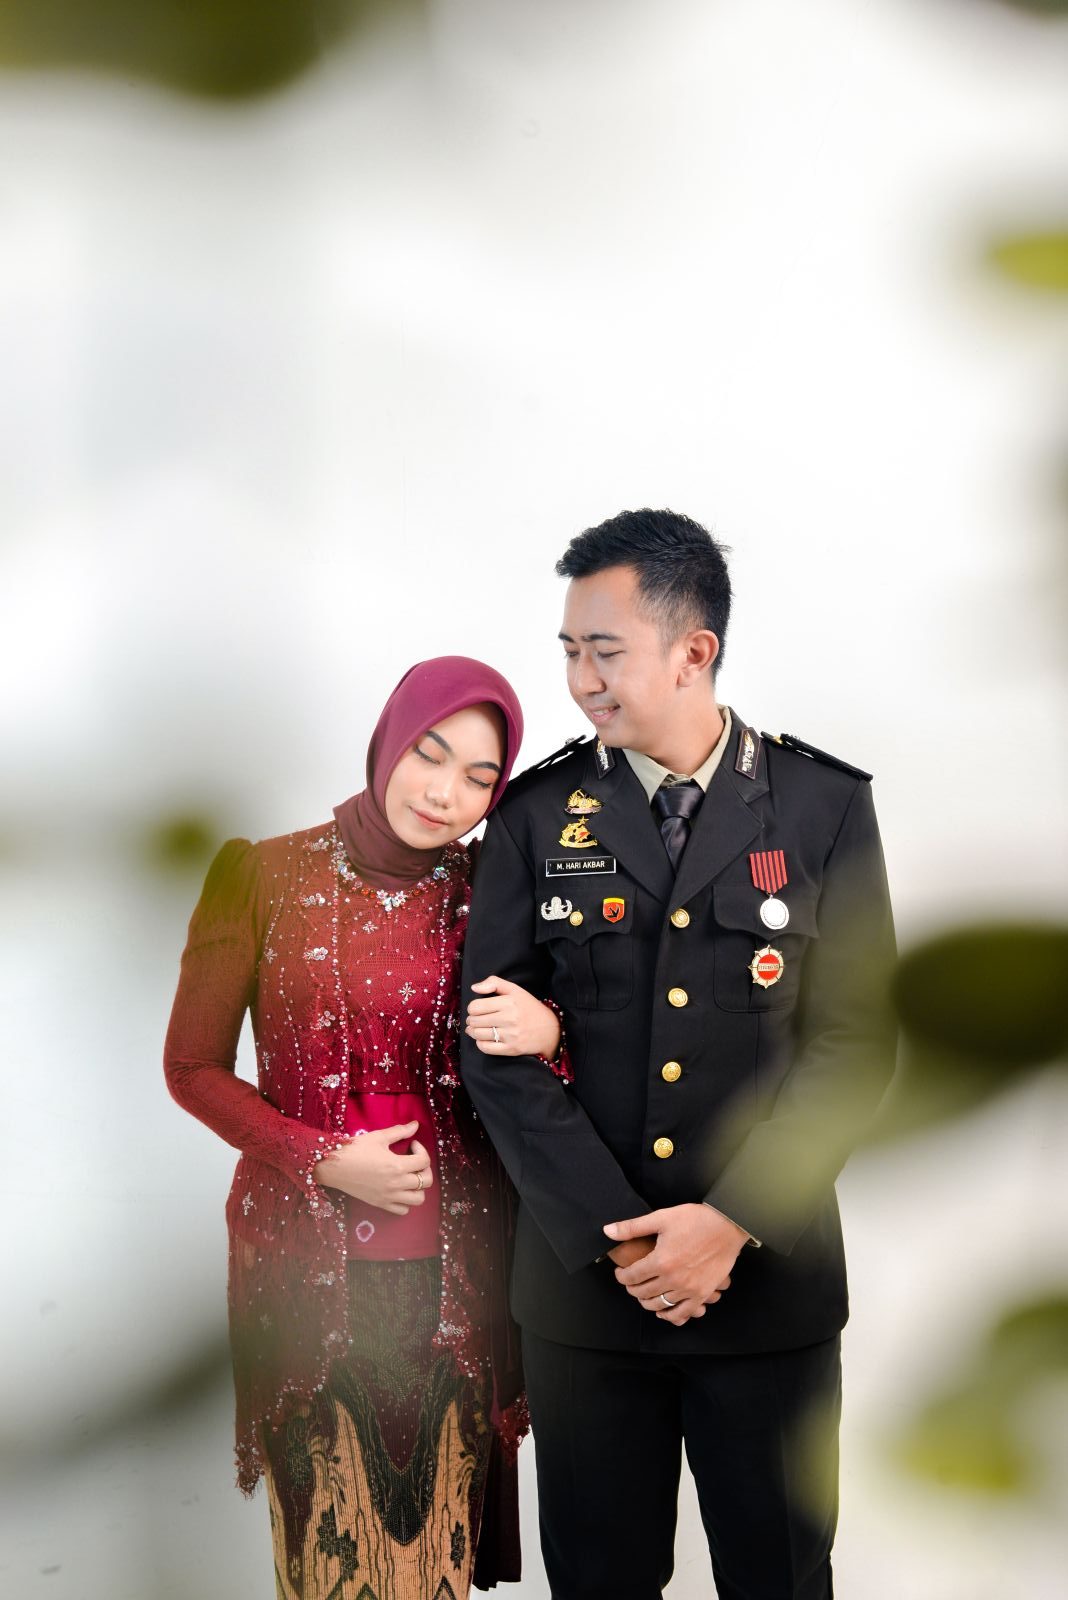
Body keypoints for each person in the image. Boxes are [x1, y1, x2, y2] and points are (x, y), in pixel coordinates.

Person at [460, 511, 897, 1600]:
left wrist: (732, 1219)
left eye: (604, 651)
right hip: (587, 1302)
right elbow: (494, 1048)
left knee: (780, 1577)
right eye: (570, 651)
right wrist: (622, 1240)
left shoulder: (821, 805)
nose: (580, 680)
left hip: (769, 1292)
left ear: (693, 651)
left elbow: (856, 1042)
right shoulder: (535, 814)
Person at [165, 656, 565, 1600]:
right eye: (431, 753)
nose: (445, 792)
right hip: (303, 1277)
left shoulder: (498, 892)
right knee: (328, 1561)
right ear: (390, 739)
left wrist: (553, 1034)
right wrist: (322, 1160)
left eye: (480, 777)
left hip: (457, 1289)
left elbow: (554, 1068)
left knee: (431, 1568)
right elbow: (193, 1069)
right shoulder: (259, 875)